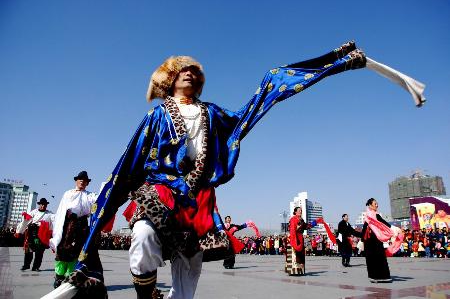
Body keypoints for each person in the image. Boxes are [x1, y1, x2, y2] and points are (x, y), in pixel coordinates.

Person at [43, 41, 425, 299]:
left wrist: (333, 64)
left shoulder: (214, 114)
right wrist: (98, 225)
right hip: (159, 191)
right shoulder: (156, 115)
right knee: (142, 236)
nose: (190, 74)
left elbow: (256, 106)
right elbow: (127, 167)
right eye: (182, 71)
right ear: (170, 80)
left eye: (195, 71)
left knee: (189, 272)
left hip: (199, 200)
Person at [49, 171, 98, 288]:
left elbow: (100, 199)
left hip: (81, 226)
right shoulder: (68, 193)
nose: (82, 181)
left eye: (85, 180)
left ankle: (69, 278)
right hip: (67, 225)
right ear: (76, 181)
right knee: (62, 251)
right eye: (80, 179)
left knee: (76, 252)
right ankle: (58, 277)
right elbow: (61, 210)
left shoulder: (90, 195)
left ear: (87, 183)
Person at [361, 198, 403, 283]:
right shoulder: (368, 216)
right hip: (369, 241)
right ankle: (373, 276)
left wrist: (393, 228)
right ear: (370, 205)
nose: (377, 205)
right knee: (371, 258)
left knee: (380, 256)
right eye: (375, 204)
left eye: (377, 203)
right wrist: (362, 241)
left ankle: (383, 276)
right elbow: (364, 228)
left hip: (377, 239)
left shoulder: (376, 215)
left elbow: (383, 222)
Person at [15, 197, 53, 271]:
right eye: (41, 204)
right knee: (28, 250)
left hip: (42, 234)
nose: (43, 206)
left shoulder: (50, 214)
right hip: (32, 232)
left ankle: (36, 267)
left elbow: (54, 222)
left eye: (44, 205)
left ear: (46, 205)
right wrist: (19, 231)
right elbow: (25, 221)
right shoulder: (34, 212)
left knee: (40, 252)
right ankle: (26, 265)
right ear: (39, 205)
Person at [285, 207, 316, 275]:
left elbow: (306, 226)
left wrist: (315, 222)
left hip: (300, 237)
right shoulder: (293, 219)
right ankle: (293, 271)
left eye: (301, 210)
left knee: (300, 254)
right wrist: (296, 231)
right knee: (294, 254)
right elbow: (291, 229)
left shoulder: (301, 219)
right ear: (295, 212)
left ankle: (300, 270)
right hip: (293, 237)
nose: (300, 211)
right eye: (299, 210)